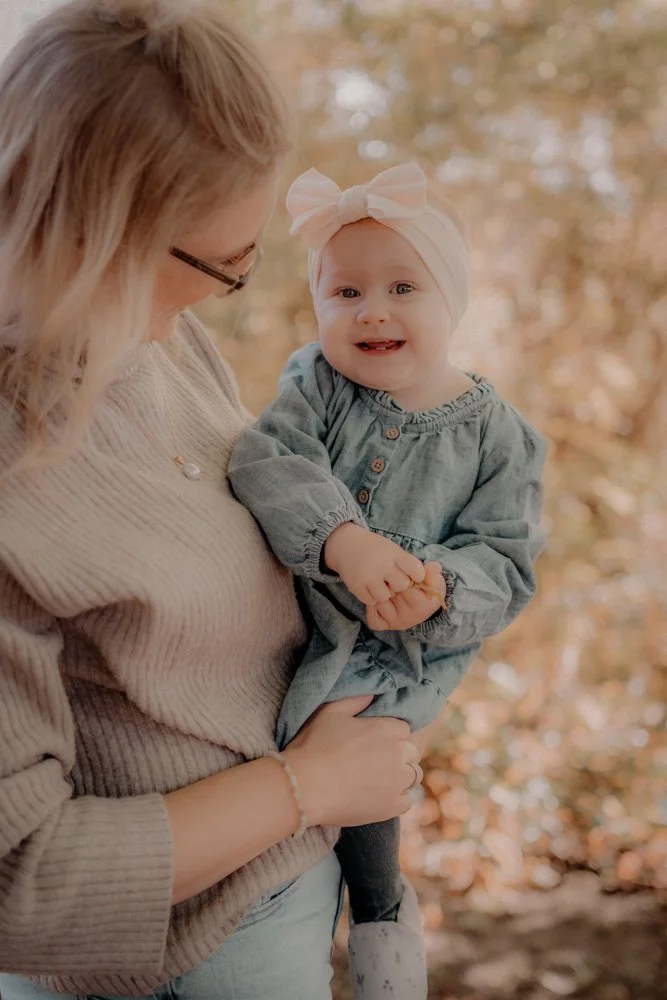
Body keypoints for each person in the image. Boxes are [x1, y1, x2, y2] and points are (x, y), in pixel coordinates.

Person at [0, 4, 426, 999]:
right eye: (224, 266)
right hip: (150, 954)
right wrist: (307, 784)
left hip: (284, 885)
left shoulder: (151, 334)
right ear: (94, 235)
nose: (227, 291)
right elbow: (18, 883)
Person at [228, 161, 548, 999]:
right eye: (345, 292)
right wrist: (342, 540)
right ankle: (254, 890)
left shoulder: (499, 436)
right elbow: (267, 461)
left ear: (452, 298)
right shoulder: (317, 382)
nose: (371, 309)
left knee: (353, 737)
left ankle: (381, 923)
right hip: (288, 619)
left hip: (395, 653)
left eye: (403, 286)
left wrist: (439, 587)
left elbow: (504, 563)